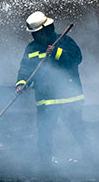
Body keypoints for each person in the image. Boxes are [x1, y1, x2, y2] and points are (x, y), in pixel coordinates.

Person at [14, 11, 88, 167]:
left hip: (70, 100)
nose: (36, 37)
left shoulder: (65, 41)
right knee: (44, 135)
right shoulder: (31, 48)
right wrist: (21, 84)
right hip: (46, 101)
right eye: (34, 34)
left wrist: (57, 53)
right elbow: (25, 69)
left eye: (38, 33)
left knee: (79, 131)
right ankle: (46, 167)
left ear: (46, 30)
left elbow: (76, 59)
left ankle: (92, 160)